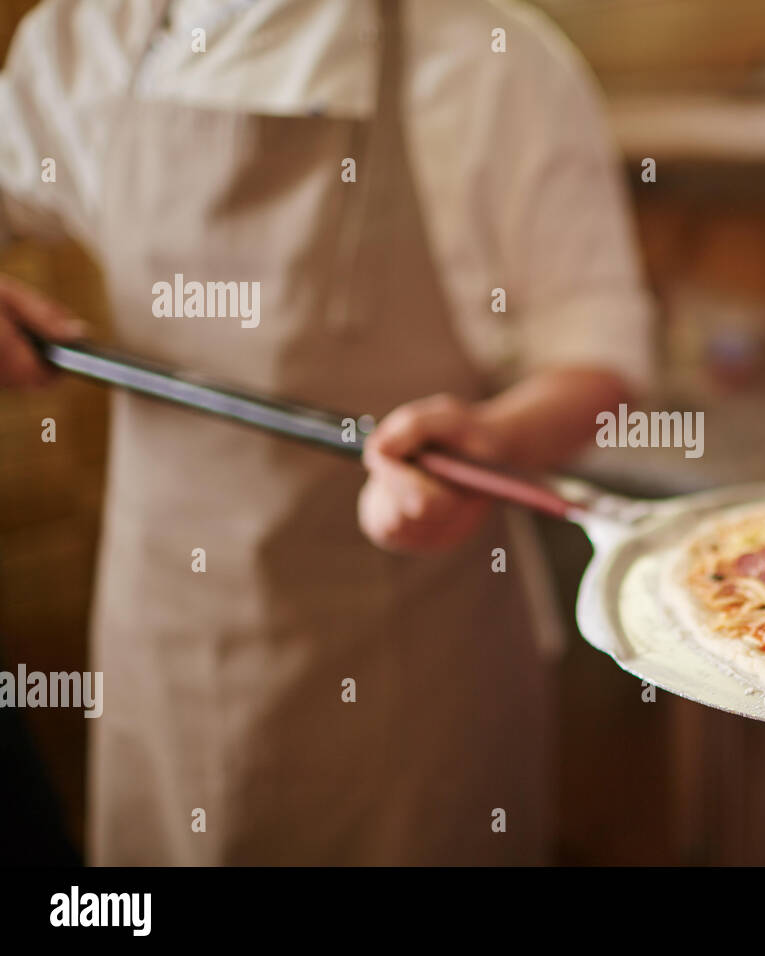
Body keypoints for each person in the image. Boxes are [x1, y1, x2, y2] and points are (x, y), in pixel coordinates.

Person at [0, 0, 652, 864]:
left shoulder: (493, 59)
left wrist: (497, 439)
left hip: (418, 672)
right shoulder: (84, 40)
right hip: (165, 639)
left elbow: (599, 355)